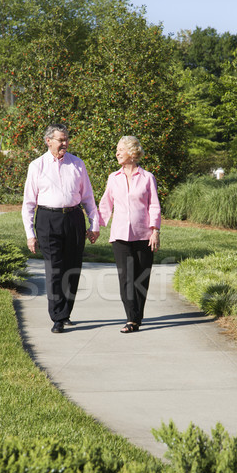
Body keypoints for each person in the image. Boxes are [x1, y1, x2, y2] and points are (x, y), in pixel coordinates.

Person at [22, 123, 99, 333]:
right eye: (60, 140)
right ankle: (57, 317)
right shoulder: (36, 166)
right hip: (47, 219)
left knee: (72, 268)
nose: (65, 143)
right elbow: (28, 203)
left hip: (74, 218)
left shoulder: (77, 164)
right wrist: (30, 234)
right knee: (55, 269)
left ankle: (66, 313)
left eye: (66, 139)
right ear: (48, 141)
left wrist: (95, 224)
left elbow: (88, 198)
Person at [98, 135, 161, 333]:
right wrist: (96, 227)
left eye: (120, 149)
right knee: (126, 278)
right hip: (119, 235)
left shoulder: (147, 177)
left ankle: (136, 316)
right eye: (117, 149)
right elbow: (105, 204)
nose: (116, 153)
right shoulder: (113, 178)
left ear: (132, 153)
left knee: (141, 278)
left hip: (143, 234)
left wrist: (155, 231)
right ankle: (131, 319)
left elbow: (154, 205)